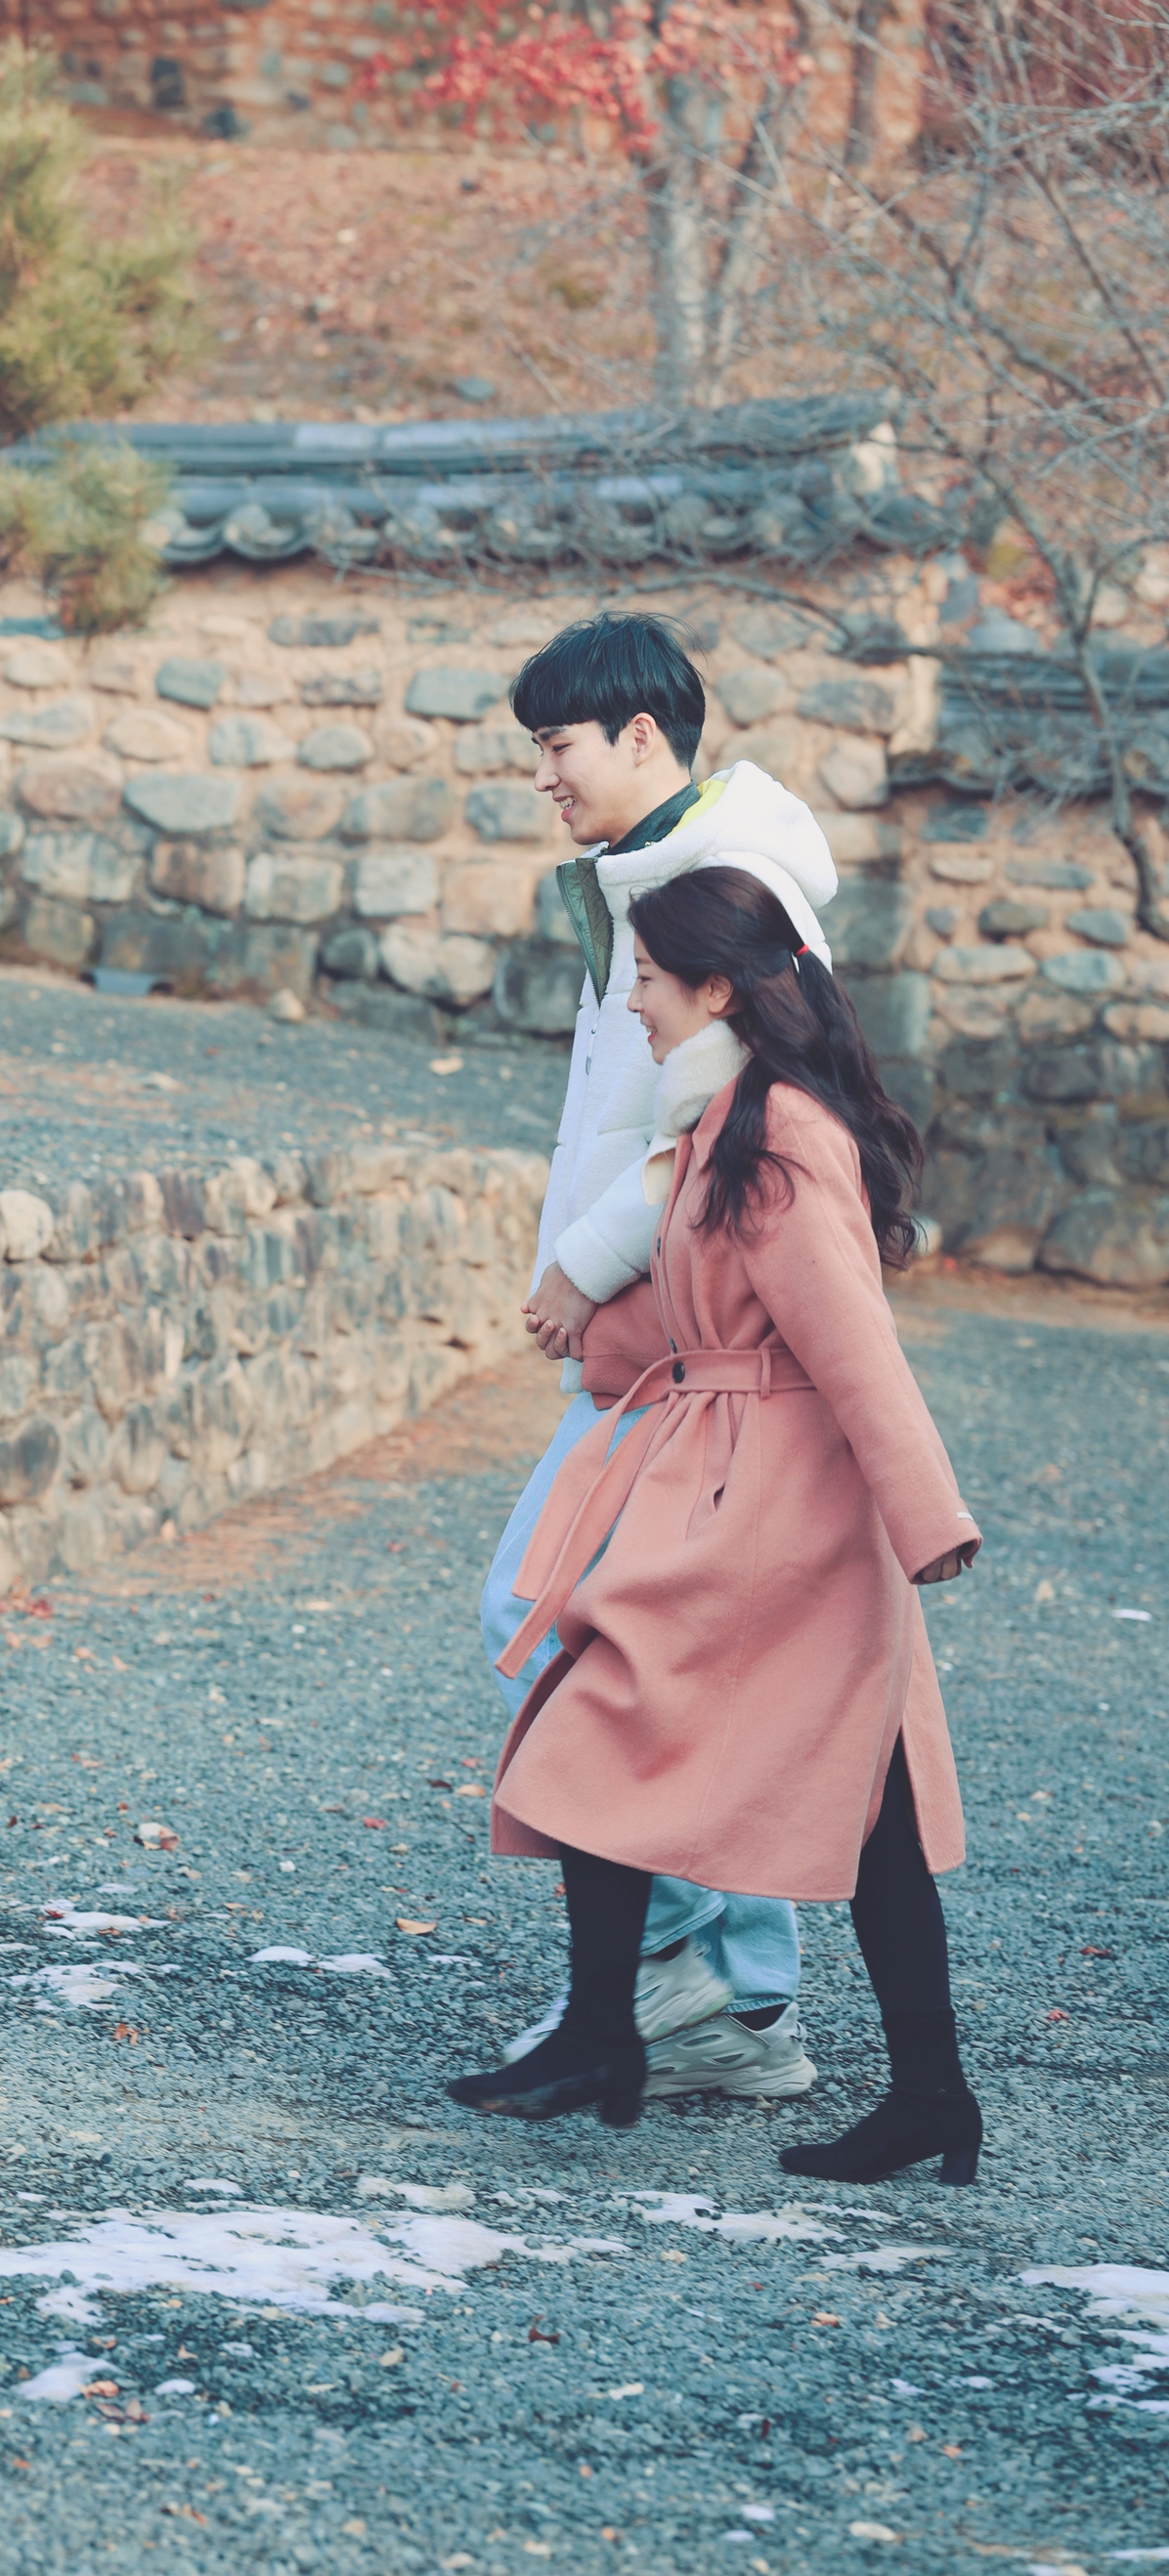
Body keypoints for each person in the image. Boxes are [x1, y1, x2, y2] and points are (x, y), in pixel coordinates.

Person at [449, 866, 984, 2185]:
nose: (629, 1000)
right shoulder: (719, 1115)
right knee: (862, 1804)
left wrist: (926, 1516)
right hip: (726, 1468)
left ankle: (616, 2040)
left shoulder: (778, 1128)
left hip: (786, 1499)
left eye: (646, 977)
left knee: (623, 1722)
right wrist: (598, 1335)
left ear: (718, 989)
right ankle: (913, 2093)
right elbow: (703, 1304)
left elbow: (849, 1338)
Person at [481, 613, 839, 2101]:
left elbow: (729, 1114)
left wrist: (585, 1262)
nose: (543, 776)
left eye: (558, 745)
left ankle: (706, 1977)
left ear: (641, 735)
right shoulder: (641, 871)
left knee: (548, 1608)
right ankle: (730, 2000)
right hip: (649, 1331)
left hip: (692, 1341)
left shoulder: (731, 883)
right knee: (642, 1638)